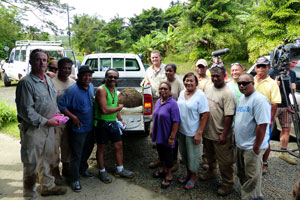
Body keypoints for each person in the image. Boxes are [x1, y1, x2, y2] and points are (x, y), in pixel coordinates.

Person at [15, 49, 67, 199]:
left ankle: (47, 187)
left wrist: (57, 115)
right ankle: (30, 195)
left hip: (50, 128)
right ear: (31, 62)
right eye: (38, 60)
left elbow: (51, 101)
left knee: (47, 159)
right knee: (31, 163)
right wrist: (46, 121)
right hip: (34, 129)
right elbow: (26, 111)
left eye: (44, 60)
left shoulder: (48, 79)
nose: (42, 63)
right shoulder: (26, 83)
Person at [58, 65, 95, 192]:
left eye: (89, 75)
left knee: (87, 150)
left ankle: (83, 169)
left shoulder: (91, 86)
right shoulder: (72, 91)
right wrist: (73, 117)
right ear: (79, 76)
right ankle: (74, 179)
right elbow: (61, 105)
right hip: (78, 128)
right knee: (76, 154)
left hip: (90, 126)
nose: (87, 78)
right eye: (84, 75)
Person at [200, 65, 236, 196]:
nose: (215, 78)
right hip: (208, 131)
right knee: (209, 155)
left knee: (225, 161)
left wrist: (224, 134)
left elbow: (229, 116)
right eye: (213, 76)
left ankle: (228, 183)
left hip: (221, 133)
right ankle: (211, 171)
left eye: (217, 76)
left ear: (224, 76)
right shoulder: (208, 87)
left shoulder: (228, 93)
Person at [235, 73, 271, 200]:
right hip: (241, 144)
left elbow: (263, 125)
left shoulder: (259, 100)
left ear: (253, 83)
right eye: (239, 83)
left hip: (252, 146)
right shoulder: (242, 98)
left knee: (252, 176)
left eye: (245, 83)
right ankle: (253, 195)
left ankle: (250, 197)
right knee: (241, 172)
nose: (241, 86)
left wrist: (256, 146)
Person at [95, 68, 134, 184]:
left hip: (113, 123)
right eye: (110, 76)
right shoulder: (102, 90)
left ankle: (120, 170)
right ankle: (102, 171)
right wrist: (119, 108)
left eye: (115, 77)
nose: (113, 79)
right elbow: (104, 110)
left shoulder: (114, 89)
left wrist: (120, 119)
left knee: (119, 146)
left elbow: (115, 104)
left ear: (118, 80)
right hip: (102, 123)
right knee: (102, 148)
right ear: (105, 78)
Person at [177, 72, 210, 190]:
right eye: (186, 80)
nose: (188, 83)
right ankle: (187, 174)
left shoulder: (200, 95)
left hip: (193, 132)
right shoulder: (182, 93)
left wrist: (199, 132)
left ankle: (193, 177)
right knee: (184, 155)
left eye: (191, 81)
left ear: (196, 82)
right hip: (181, 130)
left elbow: (205, 114)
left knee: (193, 156)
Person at [254, 56, 281, 175]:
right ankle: (253, 160)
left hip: (265, 117)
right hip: (251, 116)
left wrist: (270, 119)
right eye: (258, 66)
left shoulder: (272, 84)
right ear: (255, 67)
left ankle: (264, 163)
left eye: (263, 66)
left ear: (268, 68)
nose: (261, 68)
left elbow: (274, 103)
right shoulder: (250, 80)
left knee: (265, 141)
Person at [51, 57, 76, 184]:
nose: (66, 71)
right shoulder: (51, 82)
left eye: (69, 68)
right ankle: (54, 171)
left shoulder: (73, 83)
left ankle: (66, 168)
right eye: (64, 68)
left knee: (67, 145)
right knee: (54, 146)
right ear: (58, 69)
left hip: (69, 119)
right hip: (55, 121)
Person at [269, 59, 299, 165]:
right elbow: (267, 87)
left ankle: (283, 152)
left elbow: (292, 91)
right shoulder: (273, 72)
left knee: (286, 129)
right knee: (267, 128)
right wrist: (274, 85)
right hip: (274, 104)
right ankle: (263, 155)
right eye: (293, 63)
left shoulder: (293, 73)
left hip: (286, 104)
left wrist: (293, 88)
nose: (294, 65)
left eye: (296, 63)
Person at [151, 82, 180, 189]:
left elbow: (176, 122)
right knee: (161, 153)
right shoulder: (159, 101)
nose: (163, 91)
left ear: (170, 90)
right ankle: (163, 170)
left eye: (165, 89)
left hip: (167, 134)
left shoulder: (173, 104)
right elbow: (156, 116)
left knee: (168, 156)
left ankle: (169, 174)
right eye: (161, 89)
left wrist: (172, 137)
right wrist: (152, 129)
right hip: (159, 133)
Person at [142, 50, 167, 169]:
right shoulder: (148, 70)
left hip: (165, 99)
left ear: (160, 57)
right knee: (154, 120)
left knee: (166, 123)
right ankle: (156, 142)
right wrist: (146, 83)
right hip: (154, 100)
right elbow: (145, 81)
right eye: (152, 58)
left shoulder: (166, 68)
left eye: (156, 57)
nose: (154, 59)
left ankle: (171, 157)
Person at [164, 63, 184, 171]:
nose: (168, 73)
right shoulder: (163, 82)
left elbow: (182, 99)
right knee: (163, 136)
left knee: (174, 138)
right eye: (166, 70)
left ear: (174, 72)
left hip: (174, 114)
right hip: (164, 114)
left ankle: (174, 160)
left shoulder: (179, 83)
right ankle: (162, 159)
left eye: (170, 71)